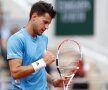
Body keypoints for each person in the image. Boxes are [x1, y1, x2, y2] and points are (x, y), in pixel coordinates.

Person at [7, 1, 68, 90]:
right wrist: (43, 62)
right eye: (45, 22)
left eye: (49, 24)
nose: (47, 27)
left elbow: (39, 69)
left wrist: (53, 81)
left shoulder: (44, 39)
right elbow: (16, 72)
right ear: (34, 17)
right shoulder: (16, 39)